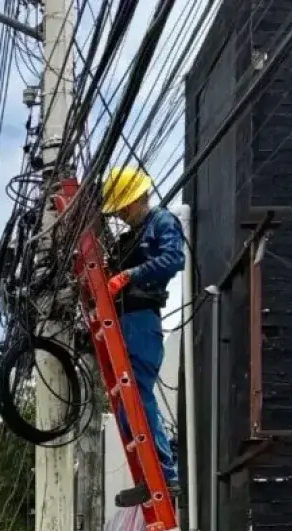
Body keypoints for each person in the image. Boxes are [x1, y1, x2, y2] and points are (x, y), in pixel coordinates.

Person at [99, 166, 185, 487]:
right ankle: (149, 471)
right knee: (125, 396)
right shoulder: (127, 238)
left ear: (137, 198)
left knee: (137, 391)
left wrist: (129, 276)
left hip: (141, 319)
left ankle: (164, 470)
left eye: (124, 206)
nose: (121, 213)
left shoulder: (162, 221)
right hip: (123, 320)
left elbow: (174, 259)